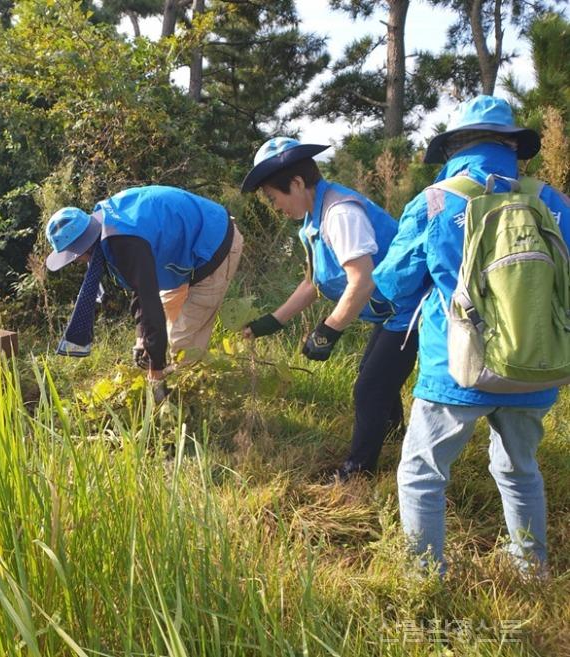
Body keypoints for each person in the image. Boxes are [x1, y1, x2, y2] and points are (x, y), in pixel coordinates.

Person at [372, 95, 570, 573]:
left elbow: (394, 284)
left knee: (422, 472)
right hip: (536, 366)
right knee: (519, 469)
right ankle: (532, 570)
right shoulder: (552, 201)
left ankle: (424, 576)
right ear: (512, 146)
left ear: (455, 146)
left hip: (457, 369)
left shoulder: (437, 200)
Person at [240, 137, 419, 481]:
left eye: (273, 197)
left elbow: (362, 281)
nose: (274, 206)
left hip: (411, 309)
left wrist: (329, 330)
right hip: (391, 312)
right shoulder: (314, 219)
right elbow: (314, 282)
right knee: (375, 374)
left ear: (295, 184)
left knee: (369, 387)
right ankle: (396, 439)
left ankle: (357, 472)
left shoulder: (340, 214)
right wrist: (271, 322)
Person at [45, 185, 244, 381]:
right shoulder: (106, 225)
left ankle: (187, 399)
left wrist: (156, 369)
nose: (77, 261)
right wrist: (142, 339)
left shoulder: (123, 242)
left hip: (213, 244)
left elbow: (149, 302)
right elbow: (140, 287)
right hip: (186, 248)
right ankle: (176, 381)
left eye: (75, 256)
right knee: (162, 325)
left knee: (183, 342)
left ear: (82, 248)